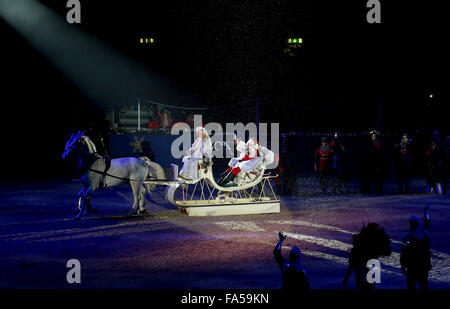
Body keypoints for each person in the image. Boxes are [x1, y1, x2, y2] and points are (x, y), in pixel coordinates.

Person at [342, 223, 392, 289]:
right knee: (363, 273)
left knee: (360, 273)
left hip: (361, 258)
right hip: (364, 258)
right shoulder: (371, 236)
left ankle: (363, 286)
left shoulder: (365, 236)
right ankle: (366, 286)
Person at [400, 206, 432, 290]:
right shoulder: (425, 236)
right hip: (423, 267)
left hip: (412, 268)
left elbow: (403, 254)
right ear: (418, 225)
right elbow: (428, 224)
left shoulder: (407, 238)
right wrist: (426, 213)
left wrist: (403, 266)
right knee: (424, 286)